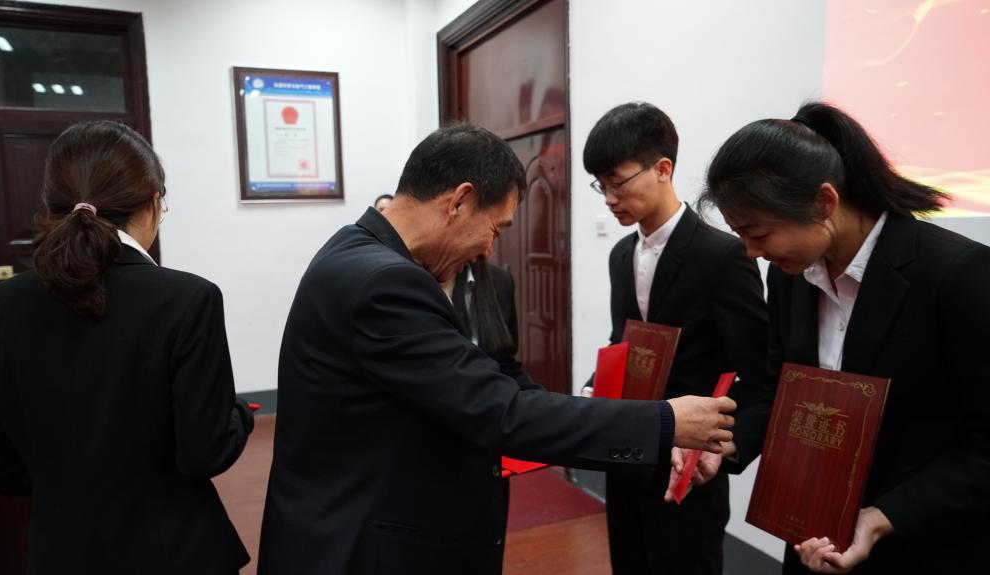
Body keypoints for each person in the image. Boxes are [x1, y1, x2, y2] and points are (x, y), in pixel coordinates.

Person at [257, 123, 737, 575]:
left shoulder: (355, 250)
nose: (488, 249)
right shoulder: (386, 283)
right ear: (461, 202)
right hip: (359, 545)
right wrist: (666, 422)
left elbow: (487, 381)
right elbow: (500, 411)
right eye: (496, 228)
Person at [698, 102, 990, 574]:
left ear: (824, 201)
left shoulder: (955, 275)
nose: (751, 253)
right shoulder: (791, 277)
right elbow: (779, 389)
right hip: (812, 534)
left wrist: (882, 518)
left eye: (759, 233)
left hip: (920, 544)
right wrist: (726, 443)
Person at [0, 121, 255, 574]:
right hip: (174, 552)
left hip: (61, 553)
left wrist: (65, 482)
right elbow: (206, 452)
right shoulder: (187, 299)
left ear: (52, 205)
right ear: (153, 203)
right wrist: (239, 415)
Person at [578, 102, 769, 575]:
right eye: (600, 185)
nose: (609, 198)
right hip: (626, 453)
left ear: (663, 169)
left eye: (617, 182)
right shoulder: (621, 255)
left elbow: (761, 372)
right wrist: (593, 387)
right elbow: (624, 342)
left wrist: (718, 445)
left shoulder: (722, 256)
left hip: (687, 467)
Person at [446, 259, 544, 573]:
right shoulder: (413, 279)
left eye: (498, 234)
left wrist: (548, 407)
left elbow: (505, 363)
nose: (491, 243)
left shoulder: (499, 281)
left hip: (487, 448)